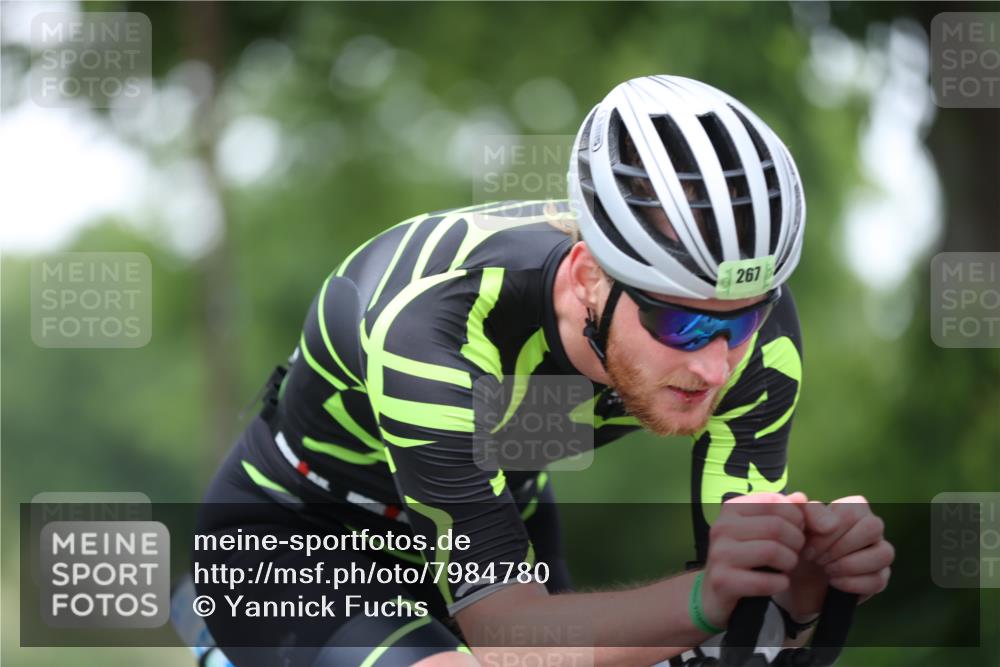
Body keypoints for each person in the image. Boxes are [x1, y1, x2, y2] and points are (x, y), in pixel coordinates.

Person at [192, 75, 894, 667]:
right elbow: (509, 634)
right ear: (590, 275)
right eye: (681, 324)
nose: (715, 364)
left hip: (498, 510)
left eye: (741, 322)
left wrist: (799, 594)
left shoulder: (758, 339)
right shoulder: (432, 321)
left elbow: (732, 633)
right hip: (303, 533)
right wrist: (703, 598)